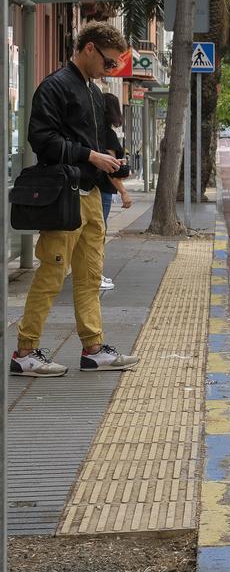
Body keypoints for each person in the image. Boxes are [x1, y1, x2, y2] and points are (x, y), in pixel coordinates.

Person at [10, 22, 140, 377]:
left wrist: (112, 166)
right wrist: (90, 156)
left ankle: (93, 349)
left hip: (90, 193)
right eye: (109, 63)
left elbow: (94, 143)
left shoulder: (93, 93)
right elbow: (42, 139)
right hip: (64, 195)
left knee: (90, 275)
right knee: (52, 272)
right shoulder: (55, 86)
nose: (110, 70)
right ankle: (25, 352)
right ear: (89, 49)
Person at [98, 93, 133, 291]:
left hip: (97, 188)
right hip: (103, 190)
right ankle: (95, 275)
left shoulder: (95, 132)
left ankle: (92, 274)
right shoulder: (108, 135)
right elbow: (109, 167)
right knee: (98, 235)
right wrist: (123, 192)